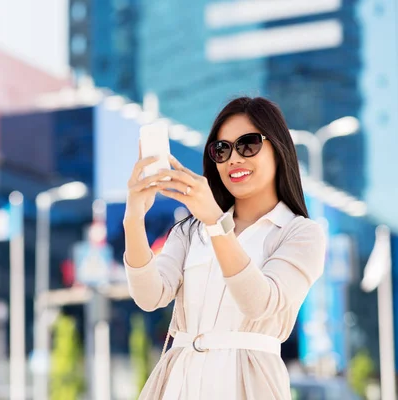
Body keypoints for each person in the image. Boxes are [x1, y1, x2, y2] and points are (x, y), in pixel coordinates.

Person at [123, 97, 327, 399]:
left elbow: (260, 304)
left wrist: (217, 223)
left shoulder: (301, 234)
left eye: (248, 145)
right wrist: (134, 218)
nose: (234, 159)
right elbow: (149, 296)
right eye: (222, 149)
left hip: (247, 385)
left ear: (278, 149)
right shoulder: (191, 230)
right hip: (180, 385)